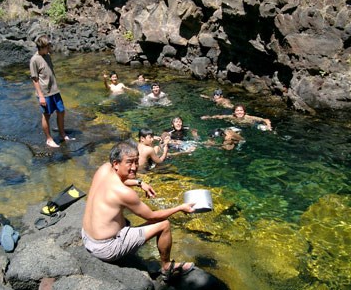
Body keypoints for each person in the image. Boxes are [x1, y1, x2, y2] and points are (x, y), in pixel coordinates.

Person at [82, 140, 195, 281]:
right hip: (105, 248)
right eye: (129, 162)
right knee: (164, 224)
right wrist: (180, 207)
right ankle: (166, 267)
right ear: (116, 164)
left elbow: (120, 179)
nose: (135, 167)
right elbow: (152, 216)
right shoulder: (125, 193)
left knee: (124, 220)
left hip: (87, 238)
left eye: (136, 161)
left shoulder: (104, 169)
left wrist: (140, 182)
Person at [30, 35, 74, 148]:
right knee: (46, 115)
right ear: (41, 47)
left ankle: (62, 134)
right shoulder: (34, 60)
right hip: (45, 93)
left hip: (55, 90)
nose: (49, 48)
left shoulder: (47, 56)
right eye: (47, 46)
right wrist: (41, 96)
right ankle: (49, 139)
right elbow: (35, 79)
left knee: (61, 111)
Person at [201, 104, 272, 131]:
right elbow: (219, 116)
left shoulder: (249, 117)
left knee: (266, 129)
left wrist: (269, 126)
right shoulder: (231, 117)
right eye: (237, 110)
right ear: (234, 112)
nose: (239, 112)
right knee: (221, 131)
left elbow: (266, 120)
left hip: (252, 126)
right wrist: (208, 117)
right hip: (239, 127)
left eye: (241, 110)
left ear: (244, 112)